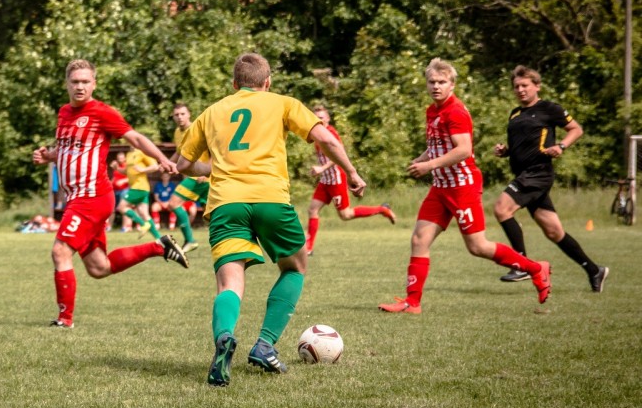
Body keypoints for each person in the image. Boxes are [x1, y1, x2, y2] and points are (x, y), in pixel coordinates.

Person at [175, 52, 367, 387]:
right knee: (295, 267)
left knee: (230, 283)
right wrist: (351, 172)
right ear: (268, 82)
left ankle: (224, 337)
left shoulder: (211, 112)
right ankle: (265, 344)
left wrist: (212, 168)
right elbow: (325, 138)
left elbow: (182, 165)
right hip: (271, 200)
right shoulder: (283, 103)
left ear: (234, 84)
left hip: (226, 204)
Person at [378, 58, 551, 315]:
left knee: (477, 246)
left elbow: (463, 150)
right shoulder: (432, 110)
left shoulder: (455, 111)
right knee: (419, 239)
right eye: (432, 82)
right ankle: (412, 302)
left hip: (462, 186)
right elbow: (439, 144)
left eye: (442, 82)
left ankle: (536, 268)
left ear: (452, 84)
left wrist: (429, 166)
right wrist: (422, 159)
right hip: (441, 187)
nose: (436, 86)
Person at [32, 59, 190, 329]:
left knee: (60, 252)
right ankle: (159, 246)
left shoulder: (101, 112)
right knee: (99, 268)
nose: (80, 86)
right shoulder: (64, 113)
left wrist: (162, 159)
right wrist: (49, 156)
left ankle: (64, 320)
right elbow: (68, 151)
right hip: (79, 199)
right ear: (66, 83)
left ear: (94, 83)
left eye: (85, 82)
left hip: (91, 198)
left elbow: (136, 138)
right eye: (75, 81)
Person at [492, 65, 609, 291]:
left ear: (537, 86)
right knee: (554, 232)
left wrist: (561, 146)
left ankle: (521, 265)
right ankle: (595, 270)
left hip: (538, 173)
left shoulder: (549, 108)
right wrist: (505, 151)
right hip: (524, 175)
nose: (520, 90)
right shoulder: (515, 113)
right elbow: (521, 145)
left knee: (501, 209)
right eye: (516, 86)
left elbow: (576, 129)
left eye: (524, 85)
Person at [304, 104, 396, 255]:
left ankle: (382, 209)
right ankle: (309, 247)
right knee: (312, 210)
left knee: (346, 215)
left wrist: (321, 168)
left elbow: (338, 154)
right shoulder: (317, 133)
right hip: (325, 181)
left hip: (336, 180)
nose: (318, 120)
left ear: (328, 118)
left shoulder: (331, 133)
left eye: (321, 118)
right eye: (316, 118)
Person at [167, 103, 210, 253]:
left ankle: (190, 240)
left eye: (182, 114)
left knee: (173, 203)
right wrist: (166, 164)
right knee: (212, 216)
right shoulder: (177, 132)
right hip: (195, 177)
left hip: (202, 177)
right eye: (176, 114)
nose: (179, 117)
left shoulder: (197, 129)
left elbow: (213, 150)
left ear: (189, 114)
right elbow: (179, 153)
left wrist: (205, 172)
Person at [115, 147, 161, 239]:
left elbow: (155, 166)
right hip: (138, 188)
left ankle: (143, 224)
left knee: (121, 207)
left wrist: (142, 170)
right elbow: (127, 172)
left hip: (139, 187)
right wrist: (116, 168)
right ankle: (159, 238)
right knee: (144, 214)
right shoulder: (128, 154)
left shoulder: (142, 152)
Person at [108, 151, 132, 232]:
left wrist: (123, 181)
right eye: (118, 158)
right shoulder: (116, 167)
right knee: (112, 209)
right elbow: (115, 177)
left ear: (124, 158)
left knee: (123, 208)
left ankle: (125, 227)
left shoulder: (127, 166)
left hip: (124, 190)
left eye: (121, 158)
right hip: (115, 190)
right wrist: (110, 184)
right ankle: (109, 226)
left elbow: (131, 177)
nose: (120, 159)